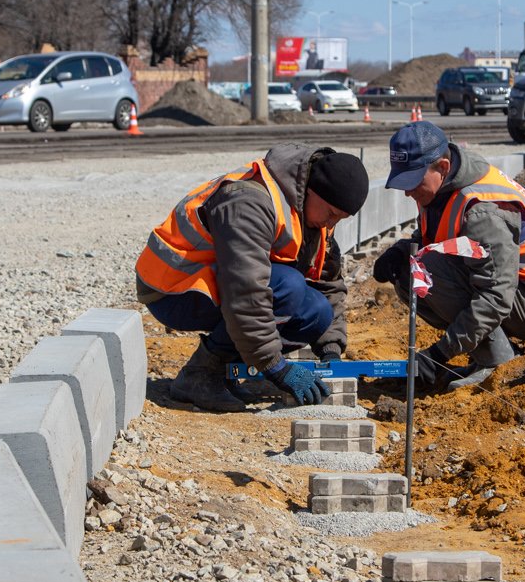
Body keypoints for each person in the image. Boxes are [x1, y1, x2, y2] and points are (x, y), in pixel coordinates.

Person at [136, 145, 369, 413]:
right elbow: (246, 294)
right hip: (174, 288)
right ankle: (201, 374)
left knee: (316, 312)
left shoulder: (312, 214)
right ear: (312, 190)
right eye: (330, 214)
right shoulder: (249, 201)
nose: (331, 224)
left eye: (340, 219)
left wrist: (331, 350)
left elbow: (328, 284)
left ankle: (225, 370)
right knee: (289, 288)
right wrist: (276, 367)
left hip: (219, 286)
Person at [373, 121, 525, 392]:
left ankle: (498, 362)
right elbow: (440, 236)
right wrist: (402, 249)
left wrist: (439, 355)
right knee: (409, 269)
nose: (407, 191)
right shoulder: (445, 186)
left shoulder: (481, 211)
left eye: (413, 181)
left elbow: (496, 296)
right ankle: (489, 352)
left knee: (424, 271)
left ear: (443, 167)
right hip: (518, 291)